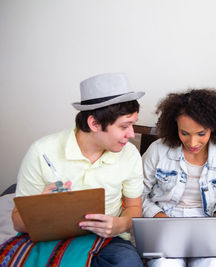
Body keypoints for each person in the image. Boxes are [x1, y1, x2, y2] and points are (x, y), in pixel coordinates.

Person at [11, 73, 145, 267]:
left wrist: (120, 225)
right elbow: (17, 223)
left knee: (127, 263)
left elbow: (134, 208)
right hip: (50, 236)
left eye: (133, 124)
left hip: (107, 240)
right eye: (125, 126)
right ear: (94, 123)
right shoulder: (42, 151)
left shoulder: (130, 154)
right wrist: (40, 207)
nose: (132, 134)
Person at [142, 88, 216, 267]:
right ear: (174, 127)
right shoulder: (157, 151)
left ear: (214, 128)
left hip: (206, 224)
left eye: (201, 134)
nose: (193, 143)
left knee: (213, 263)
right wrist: (159, 217)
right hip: (164, 222)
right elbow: (138, 194)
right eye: (184, 133)